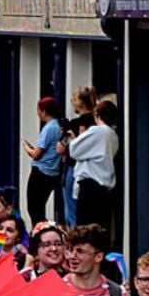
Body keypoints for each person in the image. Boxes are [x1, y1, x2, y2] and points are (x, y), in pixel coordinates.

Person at [70, 99, 120, 229]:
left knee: (86, 229)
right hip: (104, 188)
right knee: (100, 228)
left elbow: (74, 150)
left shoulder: (97, 131)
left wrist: (78, 138)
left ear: (97, 114)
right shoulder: (113, 136)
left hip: (90, 187)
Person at [57, 85, 97, 226]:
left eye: (73, 99)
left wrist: (66, 137)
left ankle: (74, 240)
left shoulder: (75, 123)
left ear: (80, 102)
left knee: (71, 210)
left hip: (74, 168)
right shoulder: (97, 123)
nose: (71, 101)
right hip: (94, 170)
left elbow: (60, 149)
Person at [23, 97, 64, 225]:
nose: (37, 113)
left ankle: (39, 234)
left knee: (34, 208)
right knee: (40, 206)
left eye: (38, 110)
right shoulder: (59, 126)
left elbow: (36, 154)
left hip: (40, 172)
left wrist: (26, 147)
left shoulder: (48, 128)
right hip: (53, 172)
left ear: (44, 111)